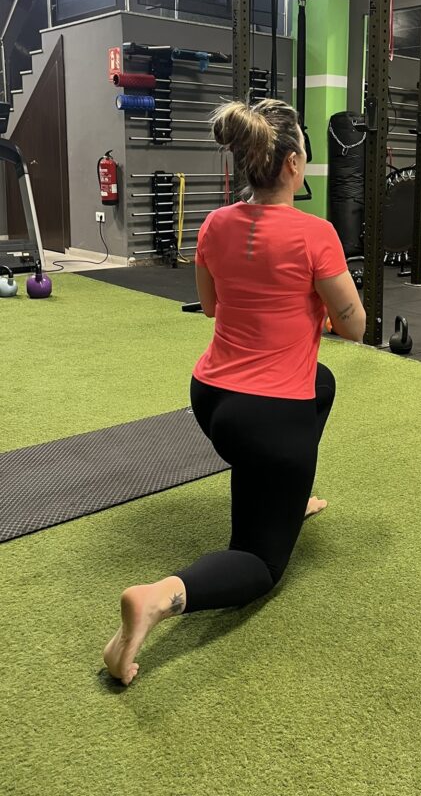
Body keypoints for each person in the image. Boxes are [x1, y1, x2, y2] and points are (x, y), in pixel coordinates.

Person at [104, 98, 366, 685]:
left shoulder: (215, 224)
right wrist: (317, 305)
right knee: (259, 563)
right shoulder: (317, 233)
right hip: (269, 420)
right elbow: (354, 327)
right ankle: (159, 597)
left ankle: (289, 497)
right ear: (293, 163)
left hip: (212, 400)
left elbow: (213, 306)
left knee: (321, 383)